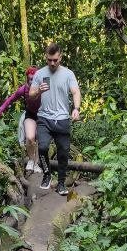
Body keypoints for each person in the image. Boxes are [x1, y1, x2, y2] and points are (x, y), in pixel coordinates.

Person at [30, 42, 81, 195]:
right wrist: (38, 90)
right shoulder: (40, 74)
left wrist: (76, 109)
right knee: (43, 147)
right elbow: (31, 94)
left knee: (63, 152)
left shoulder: (68, 74)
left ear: (61, 57)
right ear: (46, 58)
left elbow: (76, 92)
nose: (52, 63)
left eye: (55, 60)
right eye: (49, 60)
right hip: (44, 118)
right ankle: (47, 174)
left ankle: (60, 184)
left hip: (62, 119)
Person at [0, 67, 41, 173]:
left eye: (35, 79)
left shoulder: (42, 89)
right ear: (27, 79)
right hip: (30, 114)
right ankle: (31, 160)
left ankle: (36, 163)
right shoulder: (24, 89)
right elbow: (11, 99)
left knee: (39, 139)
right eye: (30, 79)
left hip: (43, 116)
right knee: (30, 137)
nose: (32, 81)